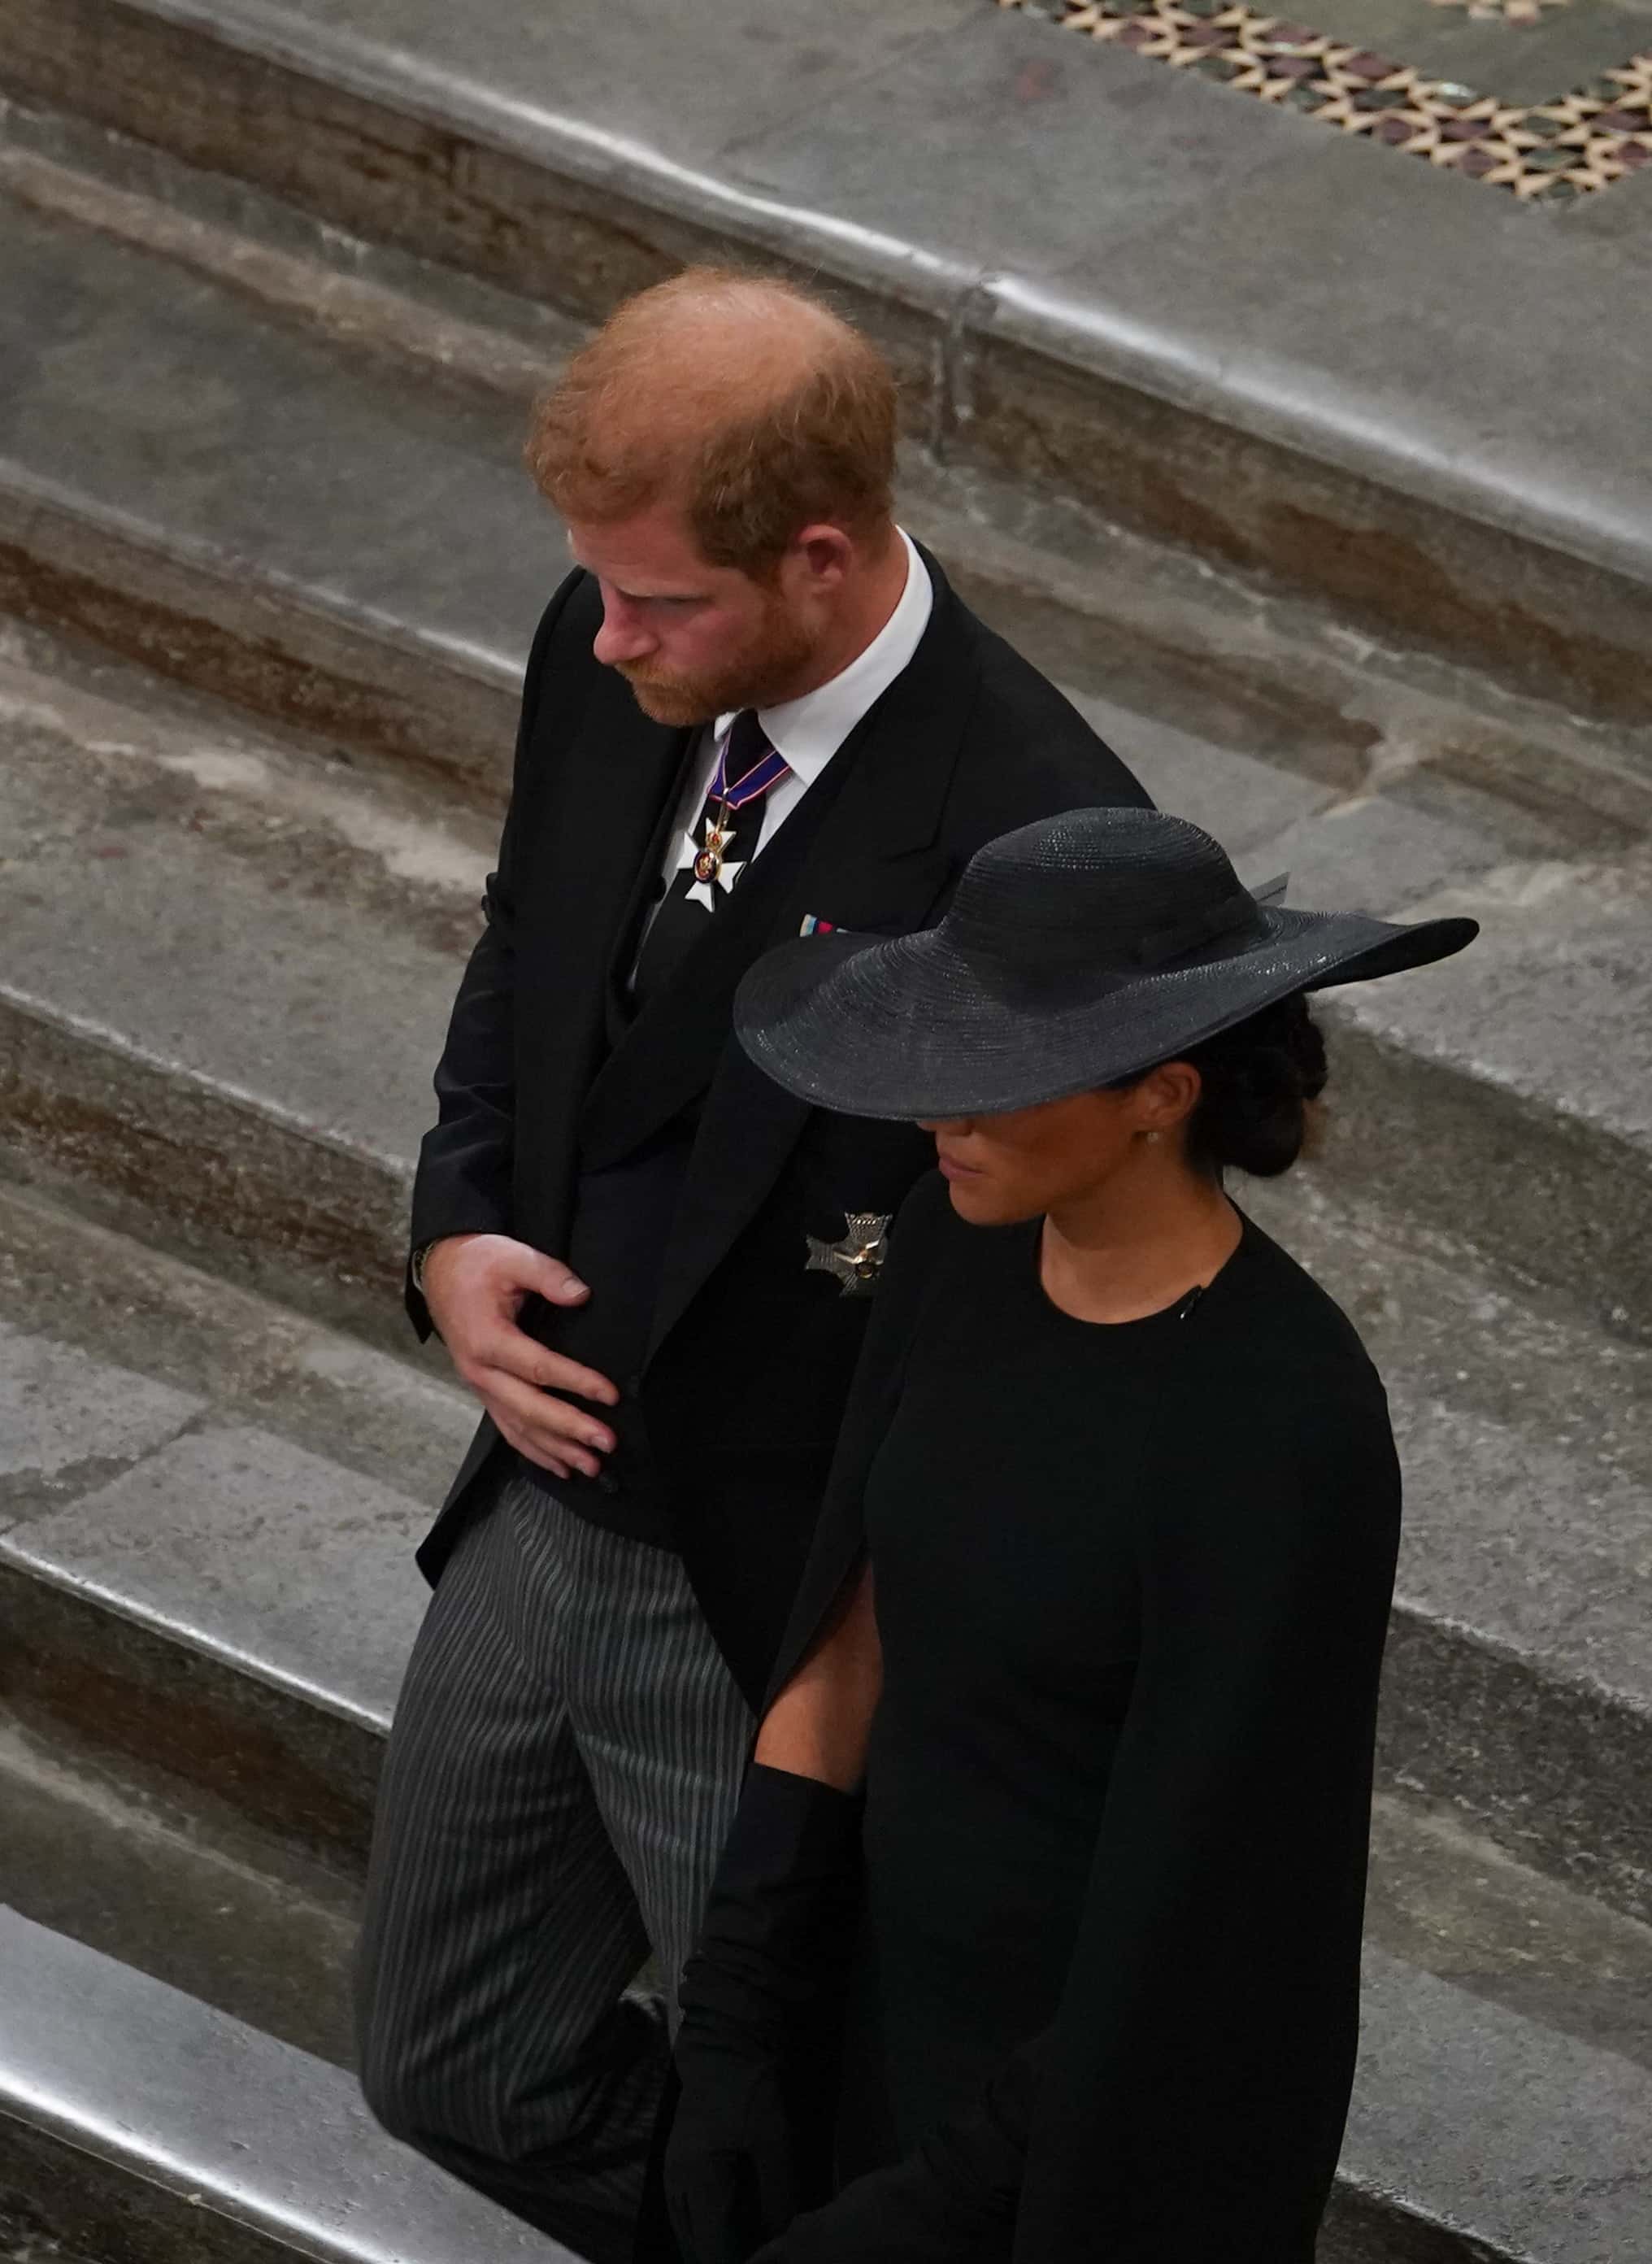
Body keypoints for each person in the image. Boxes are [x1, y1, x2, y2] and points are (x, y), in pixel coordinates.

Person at [353, 269, 1150, 2262]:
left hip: (784, 1601)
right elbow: (530, 944)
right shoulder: (607, 646)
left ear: (819, 554)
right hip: (545, 1510)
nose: (604, 637)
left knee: (796, 2130)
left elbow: (1046, 1306)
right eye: (596, 591)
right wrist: (457, 1216)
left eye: (661, 605)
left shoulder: (1032, 837)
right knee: (445, 2060)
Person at [665, 805, 1478, 2263]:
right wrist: (736, 2005)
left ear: (1160, 1094)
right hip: (876, 2004)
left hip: (1093, 2123)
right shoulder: (947, 1249)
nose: (937, 1122)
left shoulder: (1283, 1421)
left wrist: (935, 2209)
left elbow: (1203, 1911)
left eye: (992, 1086)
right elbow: (853, 1626)